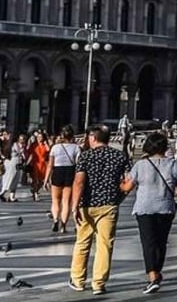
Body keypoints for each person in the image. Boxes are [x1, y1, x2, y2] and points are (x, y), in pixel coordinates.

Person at [121, 131, 177, 294]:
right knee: (161, 242)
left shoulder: (140, 165)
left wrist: (120, 183)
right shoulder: (174, 164)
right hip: (166, 208)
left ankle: (153, 276)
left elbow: (127, 187)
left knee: (148, 242)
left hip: (144, 208)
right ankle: (157, 271)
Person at [70, 124, 129, 295]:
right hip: (109, 205)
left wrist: (74, 206)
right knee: (105, 244)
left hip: (86, 205)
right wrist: (119, 197)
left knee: (82, 242)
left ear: (93, 138)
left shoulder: (85, 156)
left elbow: (79, 182)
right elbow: (128, 182)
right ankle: (99, 283)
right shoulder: (119, 156)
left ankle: (78, 280)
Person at [49, 126, 80, 231]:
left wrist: (45, 179)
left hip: (57, 172)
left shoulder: (55, 148)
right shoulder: (76, 148)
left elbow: (50, 165)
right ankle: (63, 226)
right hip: (70, 172)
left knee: (55, 200)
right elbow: (78, 164)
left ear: (62, 135)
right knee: (66, 201)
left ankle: (55, 219)